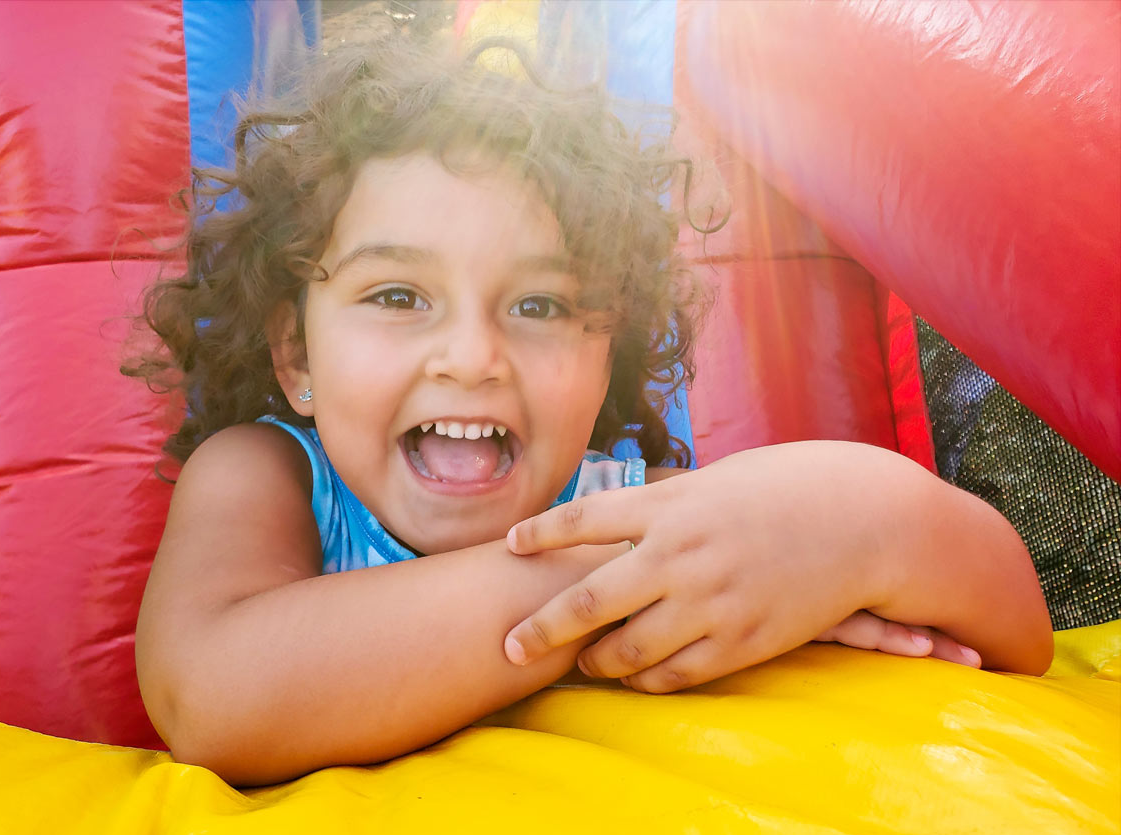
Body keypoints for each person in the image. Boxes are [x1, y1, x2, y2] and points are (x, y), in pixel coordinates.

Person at [127, 34, 1052, 786]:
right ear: (296, 355)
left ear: (605, 354)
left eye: (539, 307)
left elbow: (1015, 630)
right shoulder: (270, 475)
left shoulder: (628, 508)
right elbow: (212, 696)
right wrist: (613, 587)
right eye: (398, 297)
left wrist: (858, 524)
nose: (472, 357)